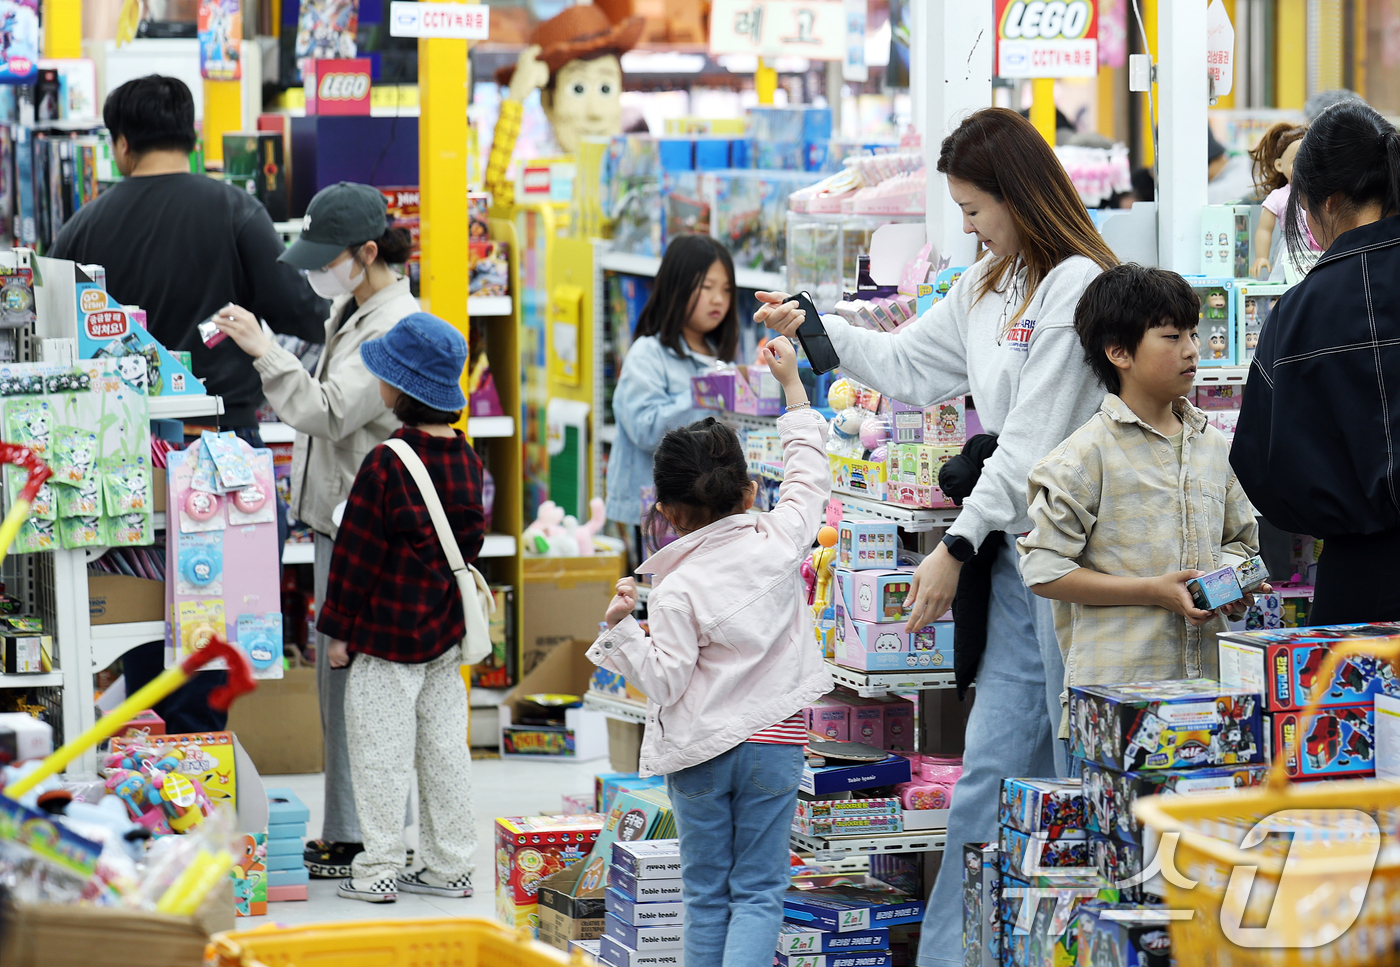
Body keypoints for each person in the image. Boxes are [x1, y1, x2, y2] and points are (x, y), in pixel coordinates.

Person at [755, 107, 1116, 967]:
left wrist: (956, 546)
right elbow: (911, 364)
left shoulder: (1076, 286)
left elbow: (1031, 442)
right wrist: (816, 327)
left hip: (1080, 569)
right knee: (984, 781)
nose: (965, 226)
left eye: (974, 208)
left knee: (1077, 769)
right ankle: (959, 954)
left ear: (1021, 198)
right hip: (1018, 561)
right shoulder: (988, 283)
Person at [49, 74, 327, 734]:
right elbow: (298, 310)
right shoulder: (234, 210)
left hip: (124, 459)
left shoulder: (83, 227)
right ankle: (201, 768)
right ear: (193, 135)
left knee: (145, 616)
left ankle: (159, 762)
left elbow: (51, 330)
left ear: (119, 145)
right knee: (216, 619)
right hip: (221, 449)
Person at [589, 336, 831, 967]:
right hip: (776, 744)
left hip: (700, 754)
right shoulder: (781, 539)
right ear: (750, 492)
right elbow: (809, 475)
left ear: (665, 513)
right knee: (758, 893)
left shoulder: (676, 588)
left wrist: (621, 629)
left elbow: (666, 683)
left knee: (704, 897)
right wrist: (795, 390)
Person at [213, 182, 420, 880]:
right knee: (343, 687)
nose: (318, 271)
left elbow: (331, 411)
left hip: (368, 528)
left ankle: (371, 835)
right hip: (340, 518)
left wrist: (263, 350)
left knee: (362, 687)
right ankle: (349, 828)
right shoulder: (354, 307)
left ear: (367, 252)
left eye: (328, 258)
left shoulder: (392, 326)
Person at [1019, 265, 1262, 732]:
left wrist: (1230, 584)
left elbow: (1240, 543)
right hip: (1116, 701)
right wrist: (1153, 592)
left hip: (1207, 694)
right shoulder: (1085, 456)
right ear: (1118, 352)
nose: (1192, 350)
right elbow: (1043, 569)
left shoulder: (1211, 447)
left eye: (1194, 333)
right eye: (1172, 337)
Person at [319, 313, 484, 903]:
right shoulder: (466, 457)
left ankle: (379, 869)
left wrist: (337, 631)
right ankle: (449, 867)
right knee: (445, 754)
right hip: (444, 634)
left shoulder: (387, 463)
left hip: (388, 641)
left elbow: (356, 556)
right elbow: (468, 543)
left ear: (399, 389)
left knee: (380, 758)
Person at [1232, 100, 1400, 624]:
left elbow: (1259, 466)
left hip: (1361, 577)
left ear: (1326, 202)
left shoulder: (1297, 313)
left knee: (1362, 706)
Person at [606, 235, 739, 558]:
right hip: (654, 515)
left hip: (702, 513)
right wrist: (709, 392)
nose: (717, 299)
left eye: (725, 289)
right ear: (677, 286)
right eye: (706, 287)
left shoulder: (715, 354)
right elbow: (646, 428)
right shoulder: (648, 354)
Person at [1247, 123, 1319, 279]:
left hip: (1319, 248)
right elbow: (1264, 229)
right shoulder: (1278, 196)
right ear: (1279, 165)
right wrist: (1261, 257)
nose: (1304, 167)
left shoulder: (1321, 193)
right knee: (1286, 286)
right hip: (1290, 250)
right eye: (1297, 162)